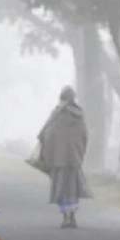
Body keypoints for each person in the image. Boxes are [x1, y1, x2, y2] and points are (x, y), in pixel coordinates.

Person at [37, 85, 91, 229]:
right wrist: (79, 153)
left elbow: (45, 134)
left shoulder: (57, 114)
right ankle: (72, 216)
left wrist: (47, 154)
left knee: (61, 188)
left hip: (59, 159)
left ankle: (66, 217)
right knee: (72, 188)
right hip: (74, 159)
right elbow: (84, 136)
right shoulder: (79, 114)